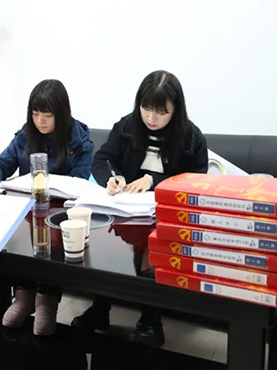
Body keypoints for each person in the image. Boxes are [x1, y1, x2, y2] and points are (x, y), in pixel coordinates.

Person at [71, 70, 209, 347]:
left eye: (161, 111)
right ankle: (100, 308)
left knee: (153, 251)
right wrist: (113, 178)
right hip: (126, 211)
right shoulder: (126, 126)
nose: (151, 118)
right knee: (105, 247)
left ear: (175, 109)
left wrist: (153, 181)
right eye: (146, 108)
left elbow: (196, 180)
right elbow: (103, 158)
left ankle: (151, 320)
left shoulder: (191, 137)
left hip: (167, 216)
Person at [0, 79, 94, 336]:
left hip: (59, 212)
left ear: (61, 114)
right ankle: (23, 296)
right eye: (35, 113)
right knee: (20, 242)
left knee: (52, 246)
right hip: (29, 210)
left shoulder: (79, 140)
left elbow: (81, 180)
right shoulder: (25, 136)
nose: (40, 121)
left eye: (47, 115)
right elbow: (4, 161)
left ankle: (47, 301)